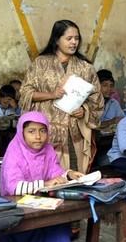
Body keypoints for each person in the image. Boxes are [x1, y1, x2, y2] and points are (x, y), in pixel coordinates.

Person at [0, 112, 84, 242]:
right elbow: (13, 187)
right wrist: (45, 185)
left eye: (42, 130)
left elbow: (54, 172)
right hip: (20, 220)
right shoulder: (14, 152)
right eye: (31, 131)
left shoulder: (47, 150)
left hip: (47, 214)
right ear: (21, 132)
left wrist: (68, 174)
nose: (38, 136)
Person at [19, 19, 104, 172]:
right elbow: (25, 93)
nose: (74, 43)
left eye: (77, 39)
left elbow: (96, 101)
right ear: (57, 40)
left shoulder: (86, 68)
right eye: (69, 38)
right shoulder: (40, 64)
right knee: (48, 177)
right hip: (46, 132)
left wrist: (84, 111)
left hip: (73, 134)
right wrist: (51, 94)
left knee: (73, 176)